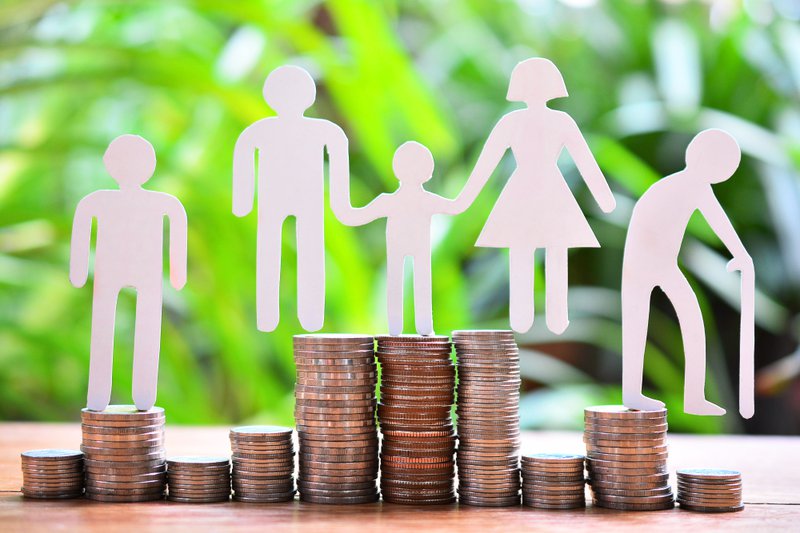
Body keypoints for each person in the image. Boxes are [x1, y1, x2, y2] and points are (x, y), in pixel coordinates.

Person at [455, 57, 616, 334]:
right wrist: (463, 200)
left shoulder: (524, 121)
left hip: (537, 191)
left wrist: (605, 198)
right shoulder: (545, 121)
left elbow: (584, 160)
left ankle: (550, 317)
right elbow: (487, 164)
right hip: (538, 191)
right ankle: (535, 317)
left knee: (544, 250)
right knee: (536, 250)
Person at [621, 129, 754, 416]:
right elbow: (717, 221)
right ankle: (633, 392)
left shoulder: (695, 187)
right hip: (642, 264)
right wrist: (740, 255)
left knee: (691, 320)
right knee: (637, 323)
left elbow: (719, 221)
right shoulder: (685, 186)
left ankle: (693, 397)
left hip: (663, 264)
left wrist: (741, 254)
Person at [70, 134, 187, 411]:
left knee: (143, 327)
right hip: (113, 272)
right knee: (104, 327)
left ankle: (141, 395)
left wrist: (177, 273)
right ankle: (100, 395)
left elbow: (179, 224)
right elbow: (82, 229)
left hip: (142, 273)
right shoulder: (97, 201)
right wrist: (77, 270)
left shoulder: (161, 202)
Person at [233, 65, 349, 332]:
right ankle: (271, 315)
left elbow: (243, 155)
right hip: (280, 199)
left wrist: (243, 202)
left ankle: (304, 316)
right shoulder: (262, 131)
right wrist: (243, 201)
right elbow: (243, 156)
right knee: (275, 251)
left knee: (301, 250)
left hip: (298, 199)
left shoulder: (320, 130)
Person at [335, 141, 465, 335]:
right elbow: (456, 206)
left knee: (405, 283)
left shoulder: (391, 201)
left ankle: (409, 327)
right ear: (428, 172)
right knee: (406, 283)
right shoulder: (416, 200)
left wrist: (338, 177)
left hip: (410, 248)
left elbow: (352, 216)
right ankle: (409, 327)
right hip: (408, 248)